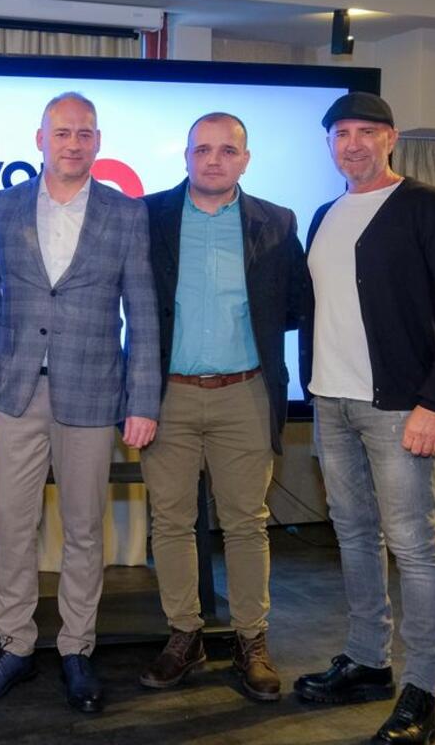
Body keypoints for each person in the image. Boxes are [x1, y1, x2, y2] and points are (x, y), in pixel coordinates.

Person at [294, 92, 435, 745]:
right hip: (331, 403)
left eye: (366, 132)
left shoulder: (431, 208)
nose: (352, 143)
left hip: (400, 406)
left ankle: (423, 694)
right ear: (329, 144)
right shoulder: (325, 215)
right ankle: (368, 661)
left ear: (391, 138)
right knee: (353, 535)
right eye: (341, 133)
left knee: (413, 546)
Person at [0, 91, 160, 713]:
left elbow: (143, 313)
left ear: (98, 142)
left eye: (84, 133)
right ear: (39, 140)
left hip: (94, 391)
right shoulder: (0, 206)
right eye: (62, 132)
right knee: (11, 525)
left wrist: (143, 398)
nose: (73, 143)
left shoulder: (126, 213)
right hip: (14, 390)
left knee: (83, 528)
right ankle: (15, 645)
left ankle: (77, 648)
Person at [138, 112, 308, 701]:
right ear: (186, 156)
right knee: (171, 522)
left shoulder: (278, 222)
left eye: (227, 150)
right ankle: (184, 635)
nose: (214, 160)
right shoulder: (148, 215)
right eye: (202, 149)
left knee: (246, 523)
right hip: (168, 395)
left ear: (245, 159)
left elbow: (295, 304)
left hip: (246, 393)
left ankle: (250, 641)